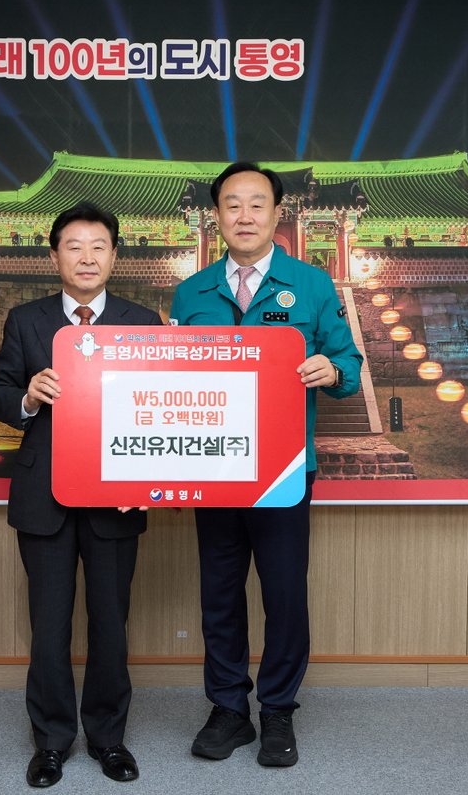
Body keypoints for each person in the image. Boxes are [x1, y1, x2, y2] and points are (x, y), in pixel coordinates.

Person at [169, 163, 363, 767]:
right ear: (217, 216)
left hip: (284, 469)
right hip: (214, 468)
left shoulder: (311, 284)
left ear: (278, 213)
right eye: (232, 204)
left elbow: (348, 363)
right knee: (220, 593)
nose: (245, 215)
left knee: (283, 593)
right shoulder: (191, 292)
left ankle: (278, 708)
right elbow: (169, 380)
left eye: (257, 204)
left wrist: (331, 369)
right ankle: (229, 708)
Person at [0, 202, 163, 788]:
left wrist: (148, 481)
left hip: (117, 494)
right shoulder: (26, 319)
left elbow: (160, 407)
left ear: (114, 256)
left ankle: (109, 738)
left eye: (98, 246)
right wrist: (27, 397)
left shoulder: (143, 321)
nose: (87, 257)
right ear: (55, 255)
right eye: (74, 246)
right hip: (45, 495)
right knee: (49, 625)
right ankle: (52, 742)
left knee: (111, 622)